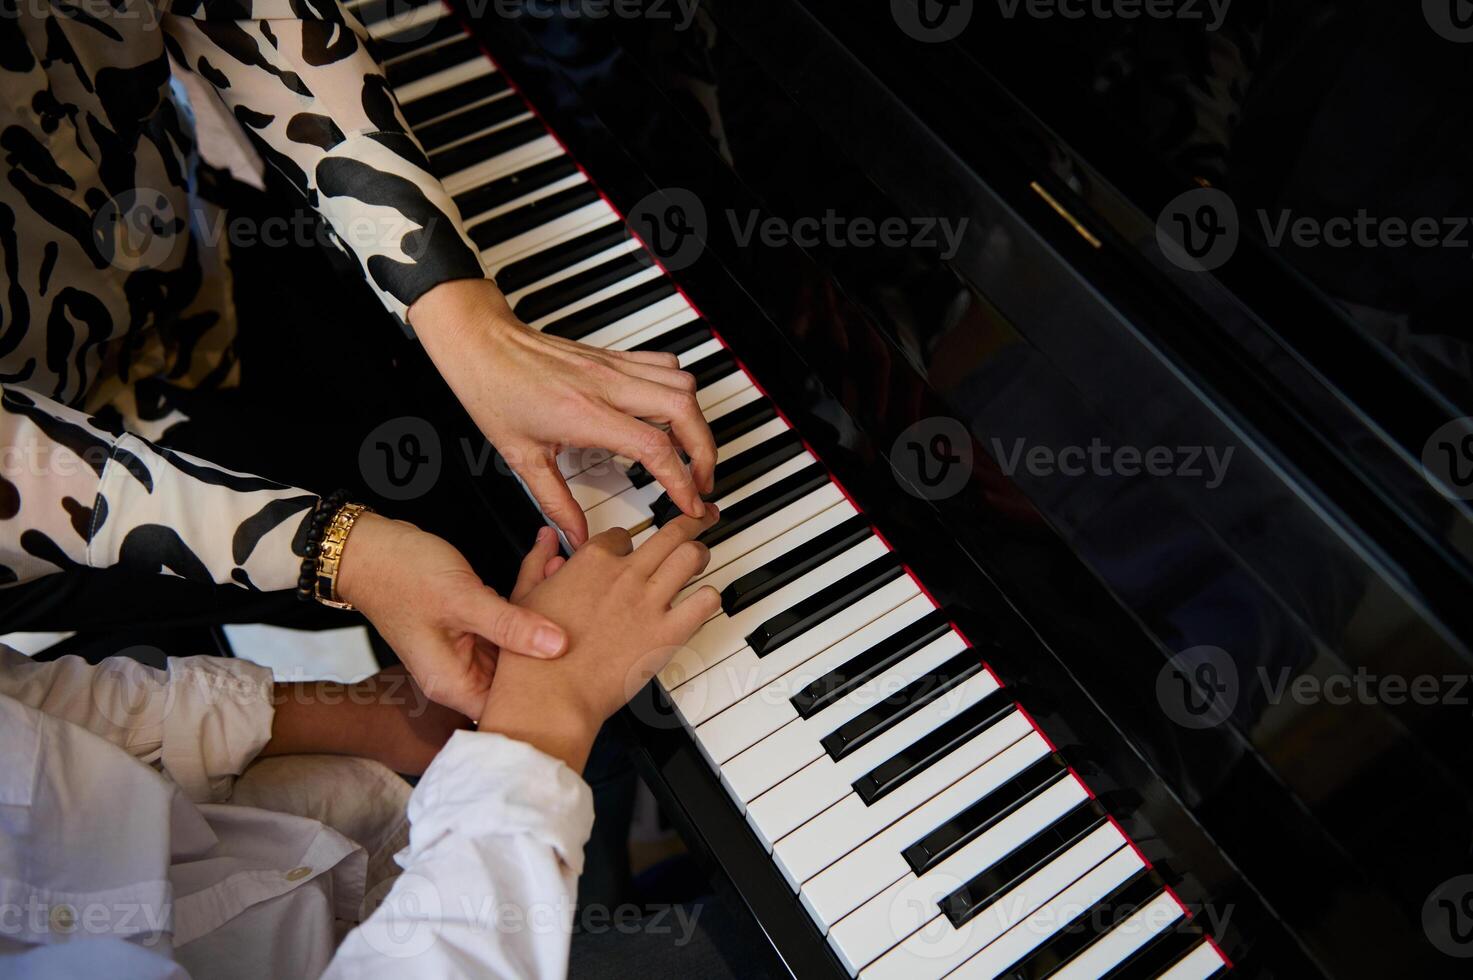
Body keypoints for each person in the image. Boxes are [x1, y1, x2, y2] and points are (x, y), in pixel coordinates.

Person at [0, 0, 717, 680]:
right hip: (61, 510)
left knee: (454, 492)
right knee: (459, 580)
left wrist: (463, 319)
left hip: (197, 258)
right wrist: (340, 552)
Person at [0, 509, 724, 978]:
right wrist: (541, 724)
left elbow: (35, 716)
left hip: (332, 836)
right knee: (746, 945)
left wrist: (378, 716)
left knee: (622, 750)